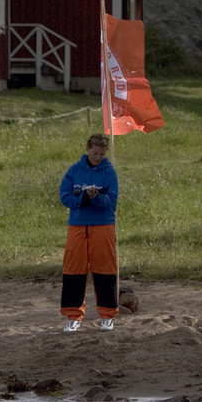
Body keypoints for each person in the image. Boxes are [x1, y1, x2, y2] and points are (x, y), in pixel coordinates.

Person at [59, 133, 119, 332]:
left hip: (103, 226)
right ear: (88, 149)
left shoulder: (109, 172)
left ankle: (107, 315)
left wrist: (96, 197)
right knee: (74, 270)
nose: (97, 157)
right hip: (77, 226)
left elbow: (112, 201)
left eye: (101, 154)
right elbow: (64, 196)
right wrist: (82, 198)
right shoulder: (75, 170)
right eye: (95, 153)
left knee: (105, 269)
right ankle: (73, 315)